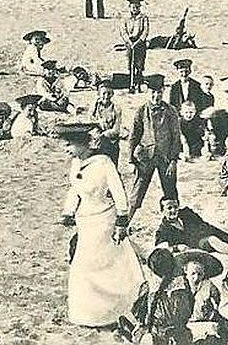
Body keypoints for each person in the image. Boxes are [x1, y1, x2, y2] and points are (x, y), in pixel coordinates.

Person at [57, 123, 145, 327]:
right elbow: (75, 189)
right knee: (83, 265)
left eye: (70, 144)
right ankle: (88, 313)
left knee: (102, 264)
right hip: (85, 220)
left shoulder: (104, 163)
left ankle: (113, 310)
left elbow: (119, 195)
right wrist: (68, 211)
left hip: (104, 219)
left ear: (83, 145)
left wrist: (122, 222)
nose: (67, 149)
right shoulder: (76, 164)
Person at [129, 75, 183, 215]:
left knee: (170, 191)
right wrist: (132, 159)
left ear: (163, 91)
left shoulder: (171, 111)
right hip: (145, 157)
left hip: (165, 157)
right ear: (148, 92)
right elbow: (134, 135)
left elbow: (176, 136)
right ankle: (124, 223)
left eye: (159, 92)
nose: (156, 96)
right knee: (137, 191)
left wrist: (173, 160)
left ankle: (174, 222)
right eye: (153, 92)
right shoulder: (141, 111)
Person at [122, 248, 193, 345]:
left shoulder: (150, 288)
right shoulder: (183, 284)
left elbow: (143, 315)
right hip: (182, 334)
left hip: (160, 336)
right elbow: (190, 307)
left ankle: (134, 335)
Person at [155, 197, 228, 254]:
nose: (173, 210)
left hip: (202, 242)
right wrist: (176, 248)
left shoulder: (187, 214)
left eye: (175, 207)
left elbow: (208, 228)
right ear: (162, 211)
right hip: (189, 253)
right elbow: (159, 250)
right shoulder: (162, 230)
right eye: (169, 208)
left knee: (212, 238)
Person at [122, 0, 150, 93]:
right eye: (133, 7)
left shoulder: (144, 18)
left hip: (140, 43)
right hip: (129, 43)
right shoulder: (126, 18)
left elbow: (145, 31)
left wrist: (139, 41)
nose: (135, 9)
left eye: (137, 7)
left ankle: (138, 82)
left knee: (139, 63)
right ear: (129, 7)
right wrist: (129, 42)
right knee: (131, 63)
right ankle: (131, 83)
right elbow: (123, 31)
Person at [90, 82, 123, 162]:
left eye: (109, 93)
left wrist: (103, 134)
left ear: (112, 94)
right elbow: (90, 122)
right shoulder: (95, 106)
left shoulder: (116, 109)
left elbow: (116, 130)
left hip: (111, 144)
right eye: (104, 93)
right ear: (99, 93)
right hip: (96, 143)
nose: (106, 96)